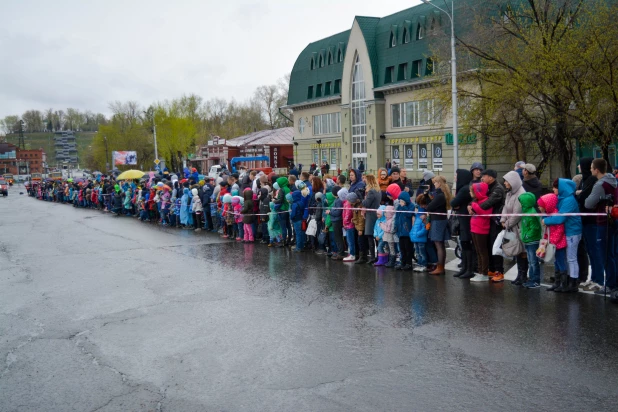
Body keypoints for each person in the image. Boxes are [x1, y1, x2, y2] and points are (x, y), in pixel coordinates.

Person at [584, 158, 617, 294]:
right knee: (613, 253)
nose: (591, 169)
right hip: (614, 220)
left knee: (605, 254)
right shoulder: (613, 180)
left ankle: (610, 284)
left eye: (592, 167)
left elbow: (588, 203)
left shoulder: (600, 185)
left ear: (596, 170)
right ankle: (614, 282)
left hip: (604, 223)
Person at [544, 179, 582, 293]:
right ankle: (565, 281)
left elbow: (561, 217)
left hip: (572, 231)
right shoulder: (564, 198)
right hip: (569, 230)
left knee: (571, 258)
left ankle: (573, 282)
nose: (553, 189)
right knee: (567, 258)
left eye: (555, 187)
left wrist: (546, 220)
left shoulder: (568, 200)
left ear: (561, 188)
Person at [576, 157, 602, 290]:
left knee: (595, 250)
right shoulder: (585, 180)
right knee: (590, 251)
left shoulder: (591, 180)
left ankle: (598, 279)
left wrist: (579, 193)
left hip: (591, 221)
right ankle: (593, 278)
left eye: (581, 165)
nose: (579, 167)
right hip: (585, 220)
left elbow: (584, 197)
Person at [478, 169, 506, 282]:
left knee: (496, 246)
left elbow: (488, 202)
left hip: (496, 221)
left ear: (490, 177)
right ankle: (492, 269)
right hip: (489, 220)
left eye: (484, 176)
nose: (482, 179)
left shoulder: (498, 189)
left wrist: (476, 208)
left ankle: (499, 271)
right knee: (490, 245)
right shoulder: (489, 187)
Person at [500, 171, 527, 285]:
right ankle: (519, 274)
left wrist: (507, 224)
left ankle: (523, 275)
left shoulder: (521, 193)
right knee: (517, 251)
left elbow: (517, 213)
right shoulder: (509, 193)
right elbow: (506, 208)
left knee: (522, 251)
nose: (505, 183)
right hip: (512, 227)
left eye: (506, 181)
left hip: (519, 227)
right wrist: (502, 219)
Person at [539, 193, 568, 290]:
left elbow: (560, 230)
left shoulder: (555, 215)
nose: (539, 208)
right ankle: (557, 282)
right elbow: (548, 230)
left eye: (541, 206)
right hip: (553, 243)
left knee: (561, 262)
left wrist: (551, 241)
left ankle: (563, 284)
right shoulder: (548, 215)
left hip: (558, 243)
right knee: (556, 262)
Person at [424, 176, 452, 275]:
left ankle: (440, 267)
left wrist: (428, 199)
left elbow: (430, 207)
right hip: (440, 220)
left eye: (435, 182)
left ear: (439, 183)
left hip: (438, 221)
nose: (434, 184)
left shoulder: (440, 195)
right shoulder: (442, 194)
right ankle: (440, 266)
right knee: (440, 245)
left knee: (439, 245)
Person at [451, 169, 474, 278]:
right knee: (463, 245)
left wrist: (455, 203)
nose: (455, 177)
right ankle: (464, 267)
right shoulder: (464, 188)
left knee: (466, 245)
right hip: (462, 219)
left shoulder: (464, 189)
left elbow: (453, 202)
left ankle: (469, 269)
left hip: (466, 221)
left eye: (457, 175)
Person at [518, 192, 543, 288]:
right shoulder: (526, 211)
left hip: (532, 240)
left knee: (533, 261)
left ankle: (535, 280)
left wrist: (527, 236)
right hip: (528, 240)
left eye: (522, 202)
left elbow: (535, 227)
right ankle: (532, 278)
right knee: (530, 261)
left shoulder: (531, 213)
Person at [470, 182, 493, 282]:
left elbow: (486, 214)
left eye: (473, 191)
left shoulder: (486, 201)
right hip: (474, 228)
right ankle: (479, 271)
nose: (471, 193)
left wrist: (474, 206)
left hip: (481, 229)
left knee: (483, 252)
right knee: (478, 251)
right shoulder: (476, 201)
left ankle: (484, 273)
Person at [362, 174, 382, 264]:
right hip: (376, 213)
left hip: (371, 215)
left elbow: (366, 203)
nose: (364, 181)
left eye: (366, 179)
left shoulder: (371, 191)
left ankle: (373, 257)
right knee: (376, 236)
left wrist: (361, 198)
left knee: (370, 236)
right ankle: (378, 256)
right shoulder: (378, 190)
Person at [395, 191, 414, 271]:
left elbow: (409, 215)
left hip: (407, 231)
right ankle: (403, 262)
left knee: (408, 248)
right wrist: (396, 226)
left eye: (402, 200)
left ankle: (409, 263)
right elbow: (397, 216)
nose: (400, 202)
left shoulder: (411, 206)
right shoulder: (399, 206)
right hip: (400, 231)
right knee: (402, 248)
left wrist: (404, 206)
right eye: (400, 201)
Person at [411, 194, 430, 272]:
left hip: (420, 238)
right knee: (418, 252)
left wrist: (418, 234)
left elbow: (426, 228)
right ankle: (419, 263)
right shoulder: (417, 217)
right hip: (416, 237)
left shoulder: (424, 218)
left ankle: (424, 264)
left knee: (422, 252)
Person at [342, 189, 357, 262]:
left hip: (349, 225)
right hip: (349, 225)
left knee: (350, 240)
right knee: (349, 240)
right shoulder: (347, 204)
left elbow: (347, 215)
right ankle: (351, 253)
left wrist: (345, 222)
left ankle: (352, 254)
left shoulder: (347, 205)